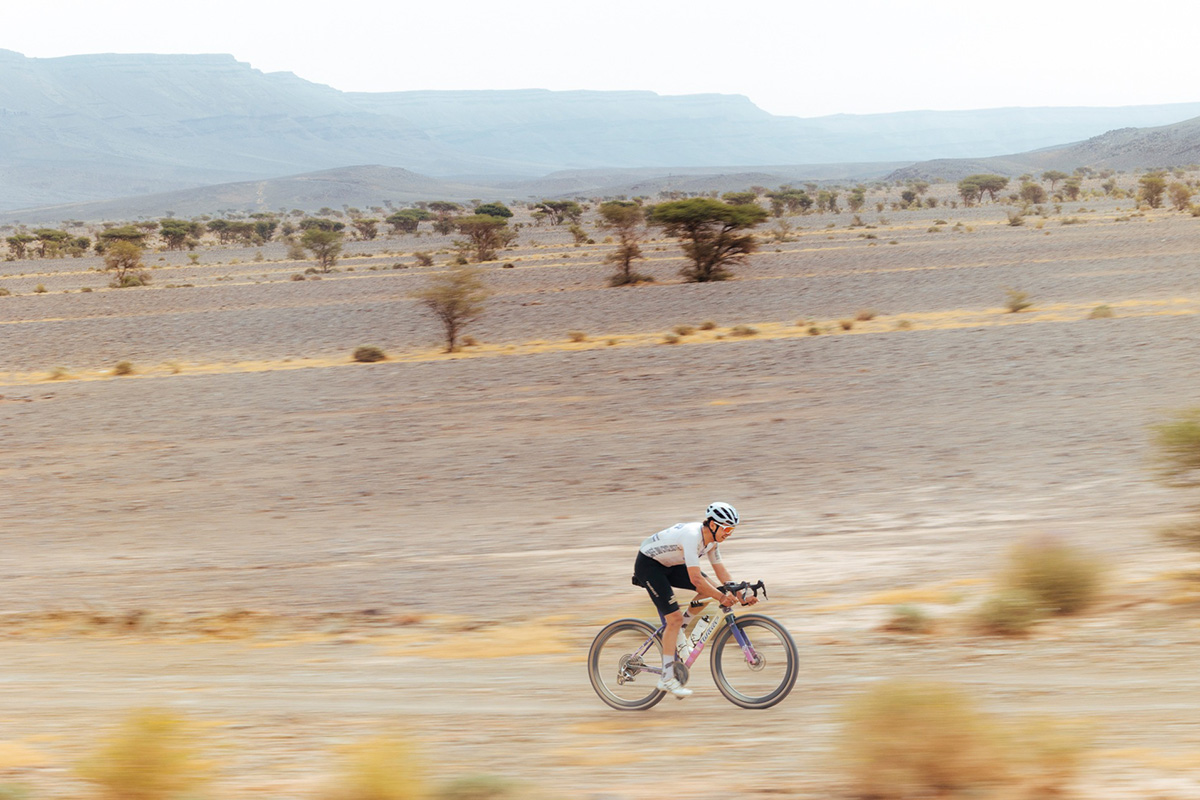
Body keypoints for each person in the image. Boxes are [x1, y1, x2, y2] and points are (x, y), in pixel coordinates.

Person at [632, 501, 758, 698]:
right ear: (713, 525)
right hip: (649, 565)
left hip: (671, 563)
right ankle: (666, 678)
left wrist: (740, 594)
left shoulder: (712, 542)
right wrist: (722, 597)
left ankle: (681, 629)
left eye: (732, 530)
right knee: (673, 618)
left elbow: (721, 572)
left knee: (712, 589)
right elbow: (696, 580)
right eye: (727, 529)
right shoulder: (692, 536)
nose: (729, 533)